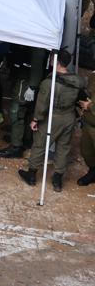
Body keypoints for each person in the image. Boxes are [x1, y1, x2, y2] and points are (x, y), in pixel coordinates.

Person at [20, 47, 88, 190]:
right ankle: (57, 179)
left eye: (52, 59)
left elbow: (42, 104)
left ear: (56, 62)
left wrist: (35, 119)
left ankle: (32, 174)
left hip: (52, 118)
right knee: (63, 147)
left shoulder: (49, 82)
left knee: (40, 145)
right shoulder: (77, 80)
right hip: (69, 117)